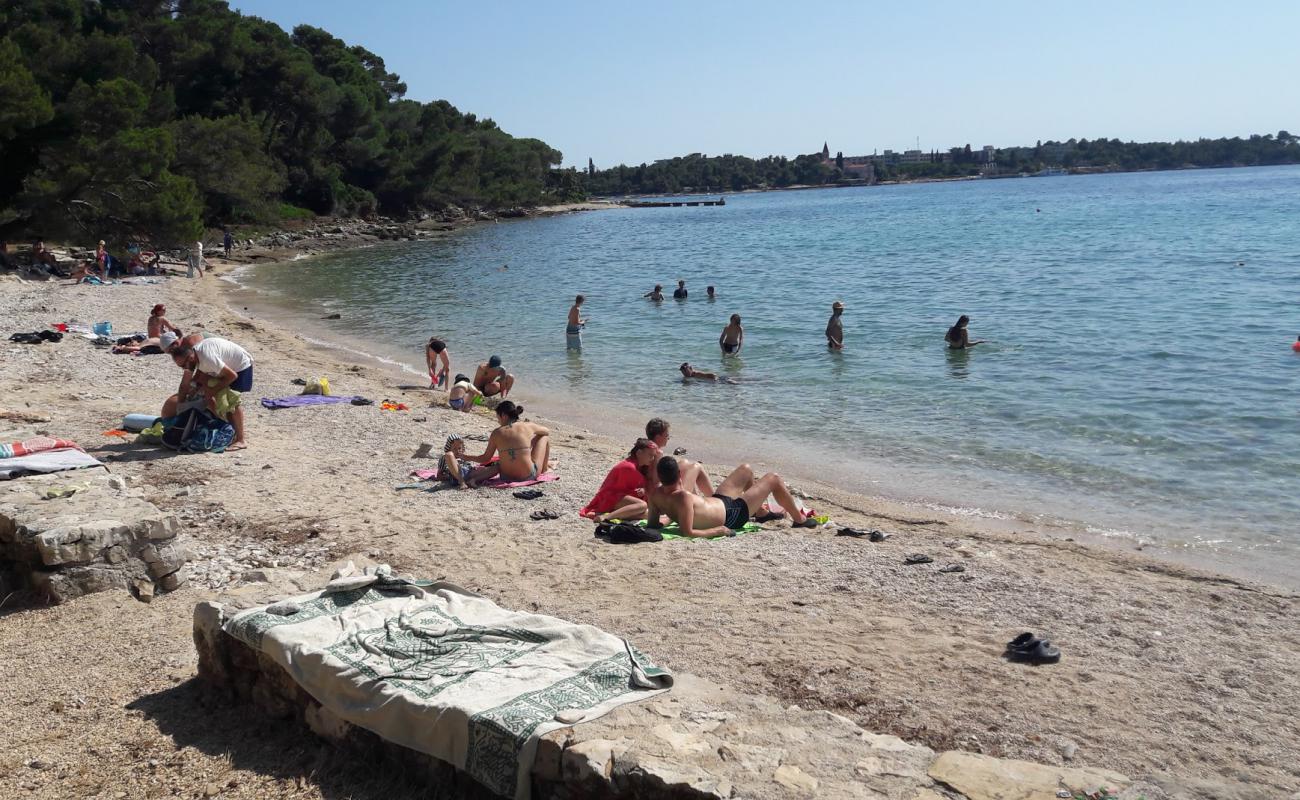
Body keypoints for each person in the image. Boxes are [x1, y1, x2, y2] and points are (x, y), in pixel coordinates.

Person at [646, 457, 814, 537]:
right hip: (732, 516)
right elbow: (687, 532)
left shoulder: (655, 495)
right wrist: (718, 530)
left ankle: (760, 513)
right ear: (678, 475)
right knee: (774, 478)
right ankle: (800, 520)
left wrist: (670, 517)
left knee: (746, 469)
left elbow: (653, 524)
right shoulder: (683, 496)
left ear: (660, 477)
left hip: (719, 501)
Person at [166, 337, 253, 450]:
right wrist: (194, 389)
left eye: (183, 365)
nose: (184, 368)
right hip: (224, 365)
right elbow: (196, 378)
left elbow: (232, 376)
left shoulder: (207, 359)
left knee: (232, 401)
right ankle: (231, 429)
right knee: (205, 389)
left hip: (240, 367)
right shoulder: (195, 358)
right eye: (180, 366)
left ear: (191, 357)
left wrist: (212, 391)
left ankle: (241, 440)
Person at [469, 401, 549, 481]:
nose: (498, 421)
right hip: (528, 476)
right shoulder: (527, 426)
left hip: (506, 477)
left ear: (503, 416)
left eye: (498, 418)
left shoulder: (496, 432)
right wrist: (530, 436)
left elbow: (485, 458)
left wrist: (465, 457)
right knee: (544, 437)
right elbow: (546, 431)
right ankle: (544, 469)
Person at [580, 438, 656, 521]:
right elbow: (619, 490)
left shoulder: (640, 466)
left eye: (653, 456)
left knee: (648, 514)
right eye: (650, 455)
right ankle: (606, 517)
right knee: (643, 506)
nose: (652, 459)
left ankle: (607, 514)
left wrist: (643, 490)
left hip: (618, 496)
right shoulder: (629, 467)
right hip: (609, 497)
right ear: (639, 453)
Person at [644, 418, 712, 497]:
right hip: (665, 497)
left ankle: (695, 498)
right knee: (696, 466)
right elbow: (656, 482)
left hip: (656, 492)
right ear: (658, 437)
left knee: (684, 462)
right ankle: (714, 499)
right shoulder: (657, 453)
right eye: (667, 435)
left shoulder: (645, 449)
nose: (668, 438)